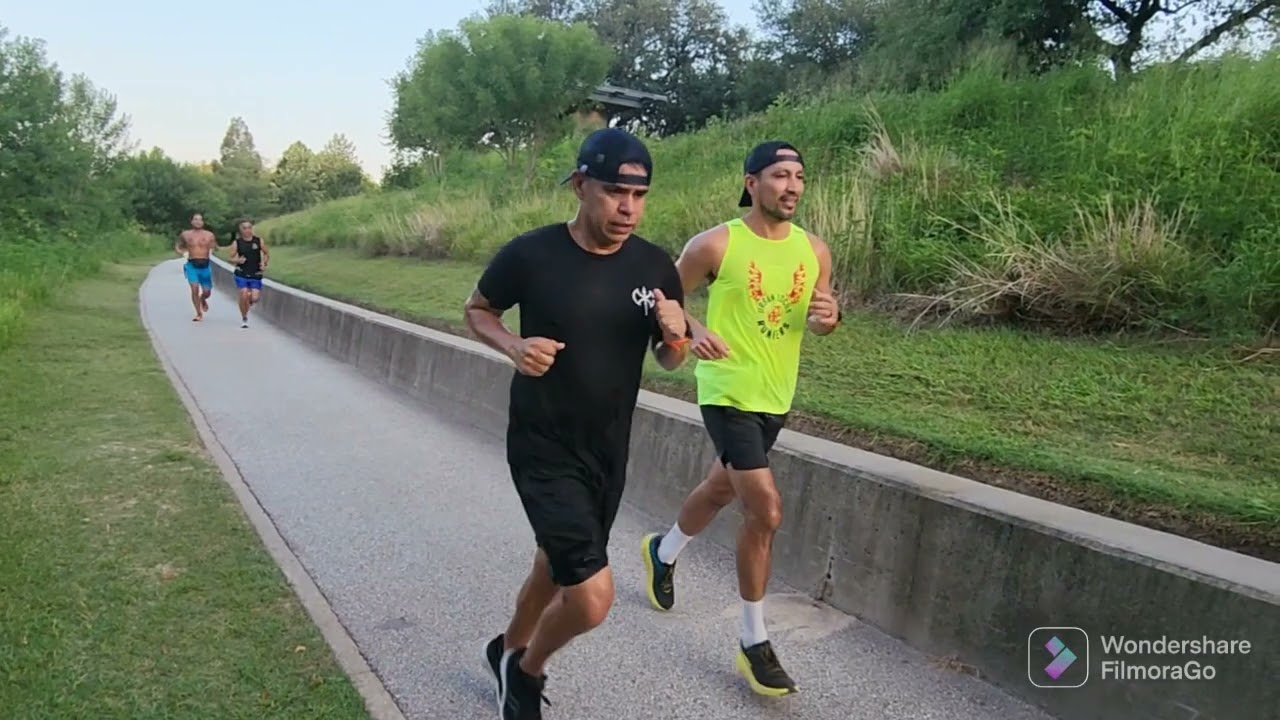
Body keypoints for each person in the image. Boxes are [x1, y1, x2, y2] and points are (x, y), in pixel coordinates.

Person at [464, 127, 692, 720]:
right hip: (542, 444)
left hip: (608, 449)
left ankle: (506, 647)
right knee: (590, 600)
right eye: (616, 192)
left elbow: (670, 358)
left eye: (640, 196)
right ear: (580, 185)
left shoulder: (655, 266)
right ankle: (527, 672)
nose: (628, 209)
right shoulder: (531, 254)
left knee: (553, 560)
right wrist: (512, 346)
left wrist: (675, 335)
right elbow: (477, 310)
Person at [638, 141, 841, 697]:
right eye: (780, 175)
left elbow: (820, 320)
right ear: (752, 183)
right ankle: (754, 642)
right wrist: (693, 330)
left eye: (800, 176)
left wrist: (831, 317)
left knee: (719, 488)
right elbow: (662, 301)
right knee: (766, 510)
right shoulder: (715, 244)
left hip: (776, 396)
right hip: (726, 391)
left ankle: (664, 550)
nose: (792, 186)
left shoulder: (815, 251)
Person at [175, 213, 219, 321]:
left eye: (200, 220)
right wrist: (182, 252)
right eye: (195, 219)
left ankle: (203, 298)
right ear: (192, 222)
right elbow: (178, 246)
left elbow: (215, 247)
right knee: (194, 288)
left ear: (203, 222)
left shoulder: (209, 235)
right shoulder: (186, 234)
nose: (198, 221)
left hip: (205, 266)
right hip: (192, 265)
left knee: (207, 292)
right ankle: (198, 313)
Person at [227, 218, 269, 328]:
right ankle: (244, 317)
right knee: (244, 293)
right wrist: (237, 261)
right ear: (240, 230)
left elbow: (266, 254)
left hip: (255, 272)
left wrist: (264, 263)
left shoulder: (259, 241)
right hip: (241, 272)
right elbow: (230, 258)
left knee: (254, 298)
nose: (247, 230)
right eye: (244, 228)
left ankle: (247, 303)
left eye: (249, 228)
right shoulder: (237, 243)